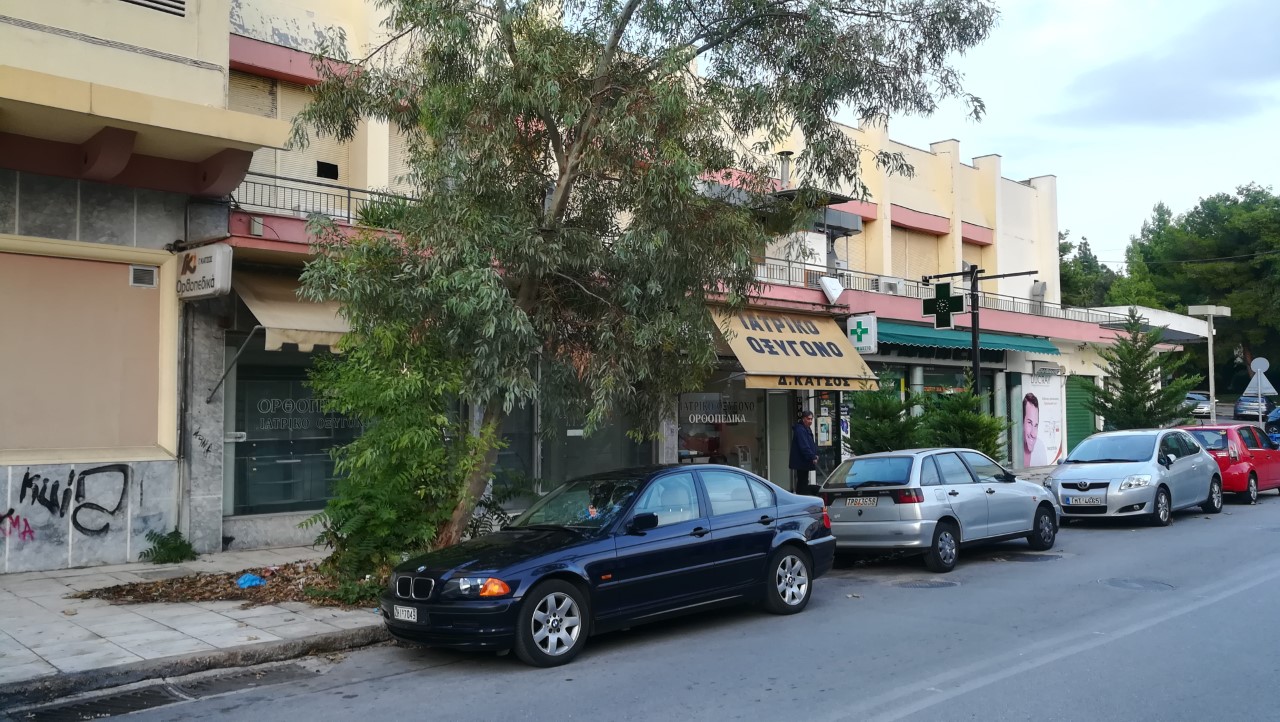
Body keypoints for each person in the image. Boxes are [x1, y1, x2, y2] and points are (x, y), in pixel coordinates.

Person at [790, 410, 819, 493]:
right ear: (803, 419)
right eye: (808, 419)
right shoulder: (801, 430)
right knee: (802, 483)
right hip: (802, 461)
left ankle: (802, 495)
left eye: (811, 419)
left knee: (803, 482)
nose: (810, 421)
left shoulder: (806, 429)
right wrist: (812, 456)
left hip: (804, 461)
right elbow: (804, 446)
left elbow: (809, 444)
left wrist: (814, 455)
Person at [1022, 393, 1042, 466]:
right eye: (1030, 423)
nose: (1033, 434)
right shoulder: (1013, 451)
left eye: (1036, 425)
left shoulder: (1041, 449)